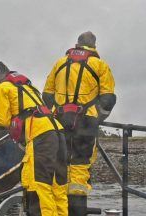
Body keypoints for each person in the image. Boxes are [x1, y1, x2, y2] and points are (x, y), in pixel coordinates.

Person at [42, 31, 116, 215]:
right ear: (94, 46)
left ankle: (59, 208)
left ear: (77, 44)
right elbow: (108, 98)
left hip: (58, 122)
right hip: (85, 122)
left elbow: (47, 95)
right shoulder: (100, 65)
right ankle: (77, 210)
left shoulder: (59, 63)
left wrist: (55, 114)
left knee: (59, 163)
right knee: (80, 166)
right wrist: (98, 118)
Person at [0, 62, 68, 216]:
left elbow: (1, 121)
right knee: (58, 189)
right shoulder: (28, 87)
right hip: (58, 132)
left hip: (40, 137)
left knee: (39, 187)